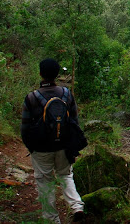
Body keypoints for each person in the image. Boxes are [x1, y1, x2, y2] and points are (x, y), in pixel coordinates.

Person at [21, 58, 85, 223]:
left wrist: (32, 148)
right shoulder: (66, 94)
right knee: (65, 175)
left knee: (44, 181)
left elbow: (25, 128)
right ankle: (76, 206)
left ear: (41, 74)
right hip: (63, 146)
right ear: (57, 74)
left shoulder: (31, 98)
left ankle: (52, 219)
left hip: (41, 149)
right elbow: (74, 123)